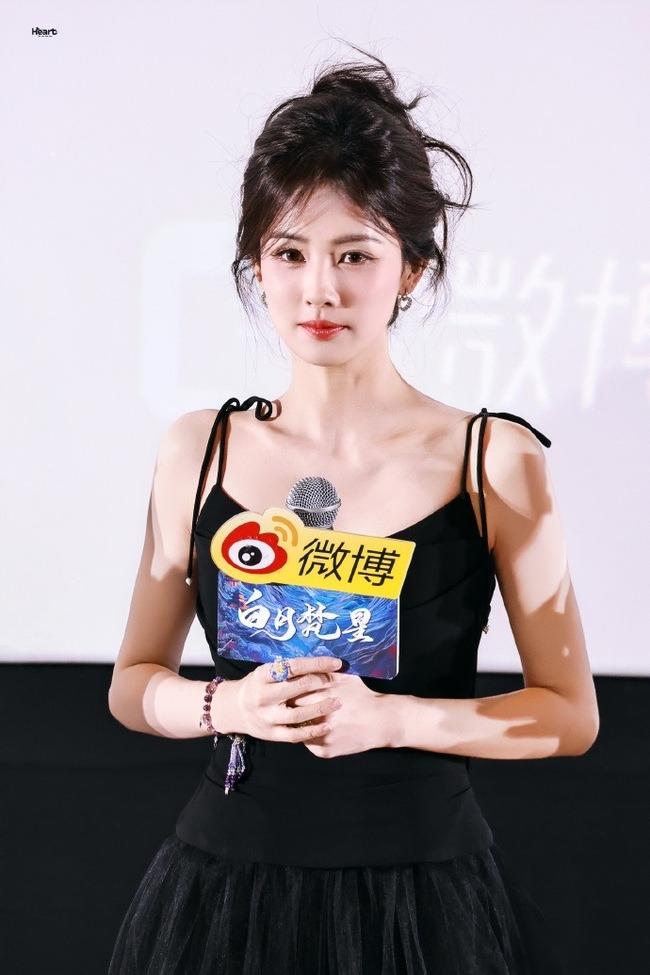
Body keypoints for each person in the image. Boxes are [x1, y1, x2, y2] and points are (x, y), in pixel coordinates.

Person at [107, 44, 599, 975]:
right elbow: (133, 682)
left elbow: (569, 715)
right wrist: (227, 702)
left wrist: (394, 719)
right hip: (224, 893)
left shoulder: (495, 460)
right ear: (257, 265)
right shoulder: (198, 449)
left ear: (410, 269)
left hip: (422, 899)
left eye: (354, 255)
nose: (319, 289)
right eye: (289, 253)